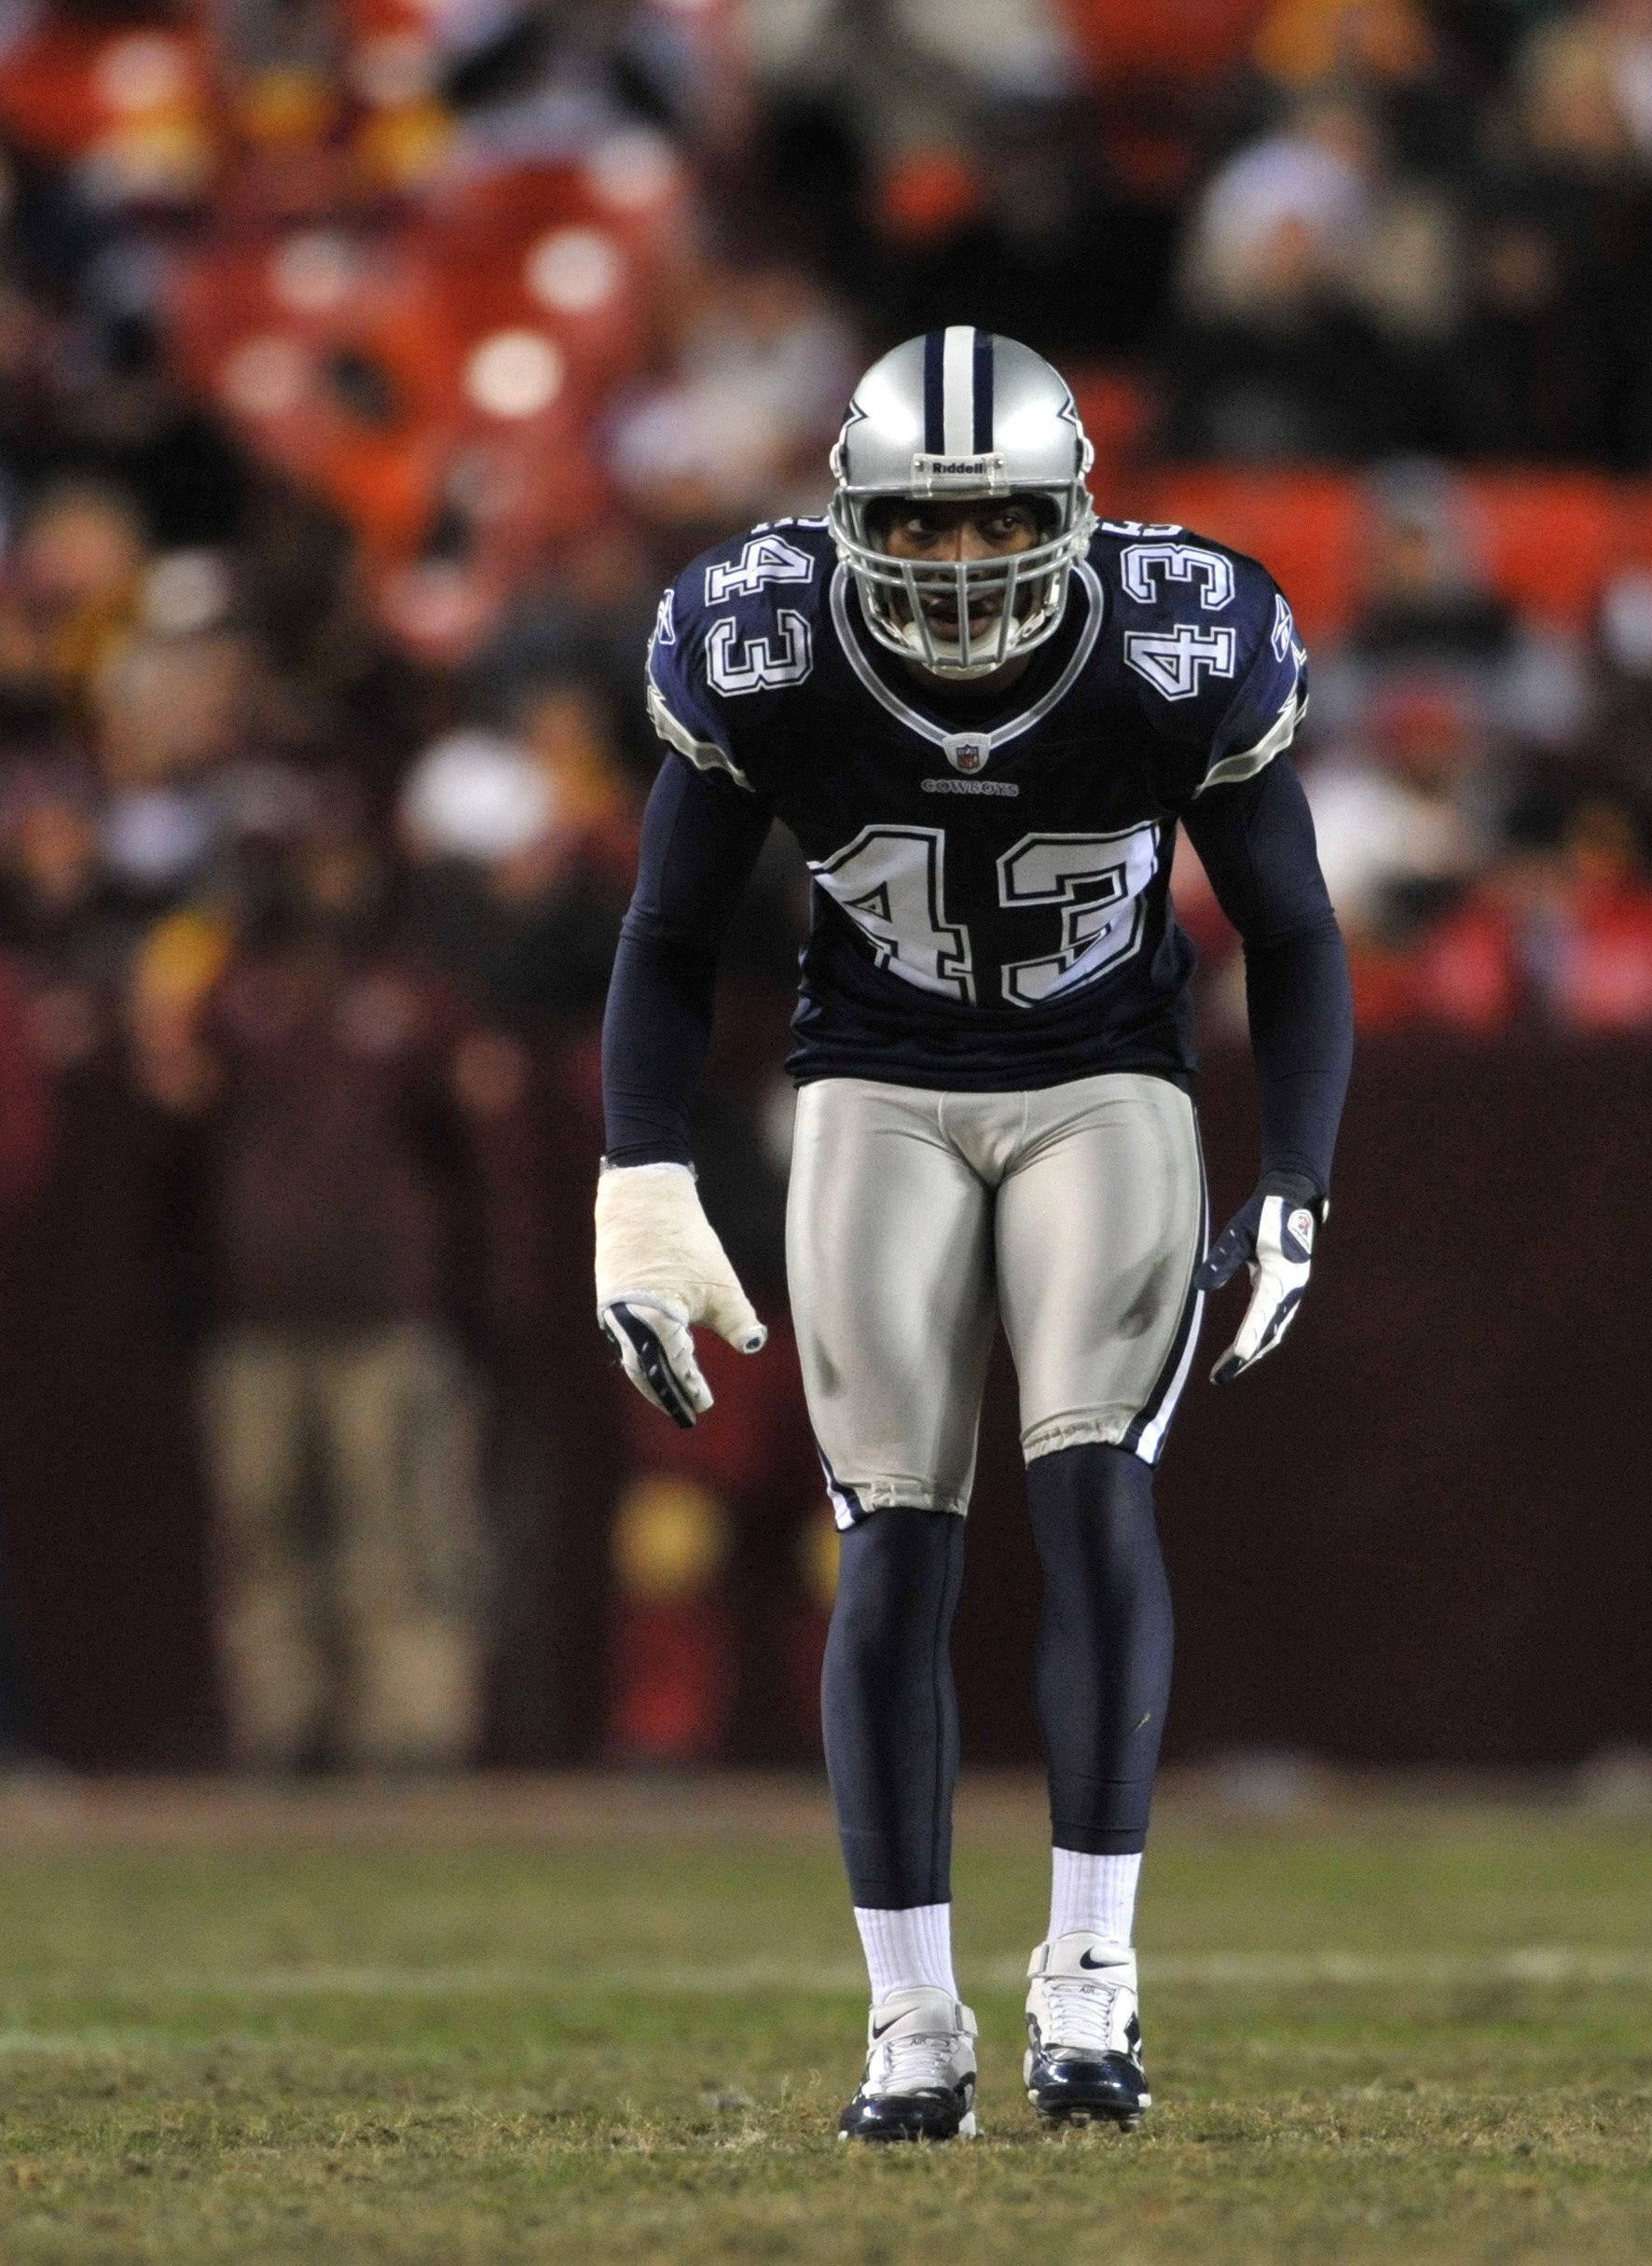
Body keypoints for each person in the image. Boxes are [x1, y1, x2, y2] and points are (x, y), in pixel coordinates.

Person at [594, 330, 1353, 2139]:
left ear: (1070, 512)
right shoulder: (762, 637)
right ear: (850, 522)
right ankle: (907, 2019)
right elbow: (663, 936)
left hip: (1104, 1081)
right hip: (872, 1086)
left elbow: (1298, 933)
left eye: (992, 523)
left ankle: (1088, 1984)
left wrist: (1302, 1177)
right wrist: (637, 1172)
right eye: (917, 534)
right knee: (891, 1547)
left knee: (1092, 1490)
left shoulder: (1175, 637)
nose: (952, 569)